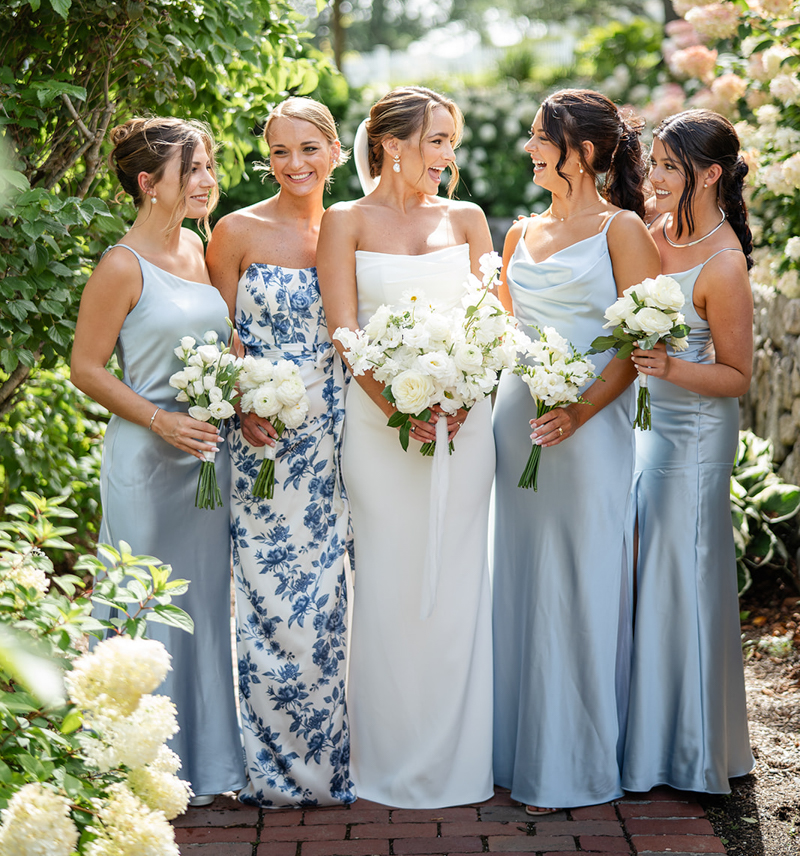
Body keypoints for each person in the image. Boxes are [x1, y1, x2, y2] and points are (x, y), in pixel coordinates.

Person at [317, 85, 495, 809]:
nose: (448, 156)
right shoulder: (344, 220)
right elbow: (345, 329)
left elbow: (495, 314)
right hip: (379, 427)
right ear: (391, 145)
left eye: (451, 141)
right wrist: (399, 405)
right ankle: (386, 759)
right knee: (388, 587)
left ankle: (460, 762)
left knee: (456, 588)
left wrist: (462, 389)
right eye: (437, 140)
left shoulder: (470, 218)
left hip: (466, 423)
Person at [492, 88, 660, 813]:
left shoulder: (624, 230)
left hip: (590, 429)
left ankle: (575, 762)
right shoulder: (518, 232)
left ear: (584, 153)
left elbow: (642, 340)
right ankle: (516, 749)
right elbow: (500, 326)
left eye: (540, 138)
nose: (529, 148)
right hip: (515, 424)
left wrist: (581, 410)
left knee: (582, 581)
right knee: (521, 581)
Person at [70, 117, 244, 805]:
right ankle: (130, 770)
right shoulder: (121, 264)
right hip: (147, 462)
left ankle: (202, 769)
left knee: (201, 608)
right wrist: (159, 416)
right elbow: (85, 368)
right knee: (143, 608)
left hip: (206, 461)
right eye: (193, 170)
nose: (207, 181)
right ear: (149, 184)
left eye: (208, 167)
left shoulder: (200, 251)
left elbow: (221, 342)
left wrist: (245, 391)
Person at [206, 98, 354, 808]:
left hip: (336, 437)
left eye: (307, 149)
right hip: (260, 440)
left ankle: (332, 766)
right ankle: (270, 772)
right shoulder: (235, 230)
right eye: (278, 151)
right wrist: (242, 399)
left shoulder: (351, 228)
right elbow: (215, 335)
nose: (294, 164)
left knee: (327, 599)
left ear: (335, 152)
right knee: (267, 599)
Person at [623, 109, 754, 794]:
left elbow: (738, 377)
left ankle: (697, 751)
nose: (656, 176)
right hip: (645, 430)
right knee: (648, 574)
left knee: (686, 576)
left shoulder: (724, 262)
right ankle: (650, 737)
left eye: (670, 165)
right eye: (654, 163)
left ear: (708, 173)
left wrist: (669, 368)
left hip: (697, 438)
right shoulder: (653, 233)